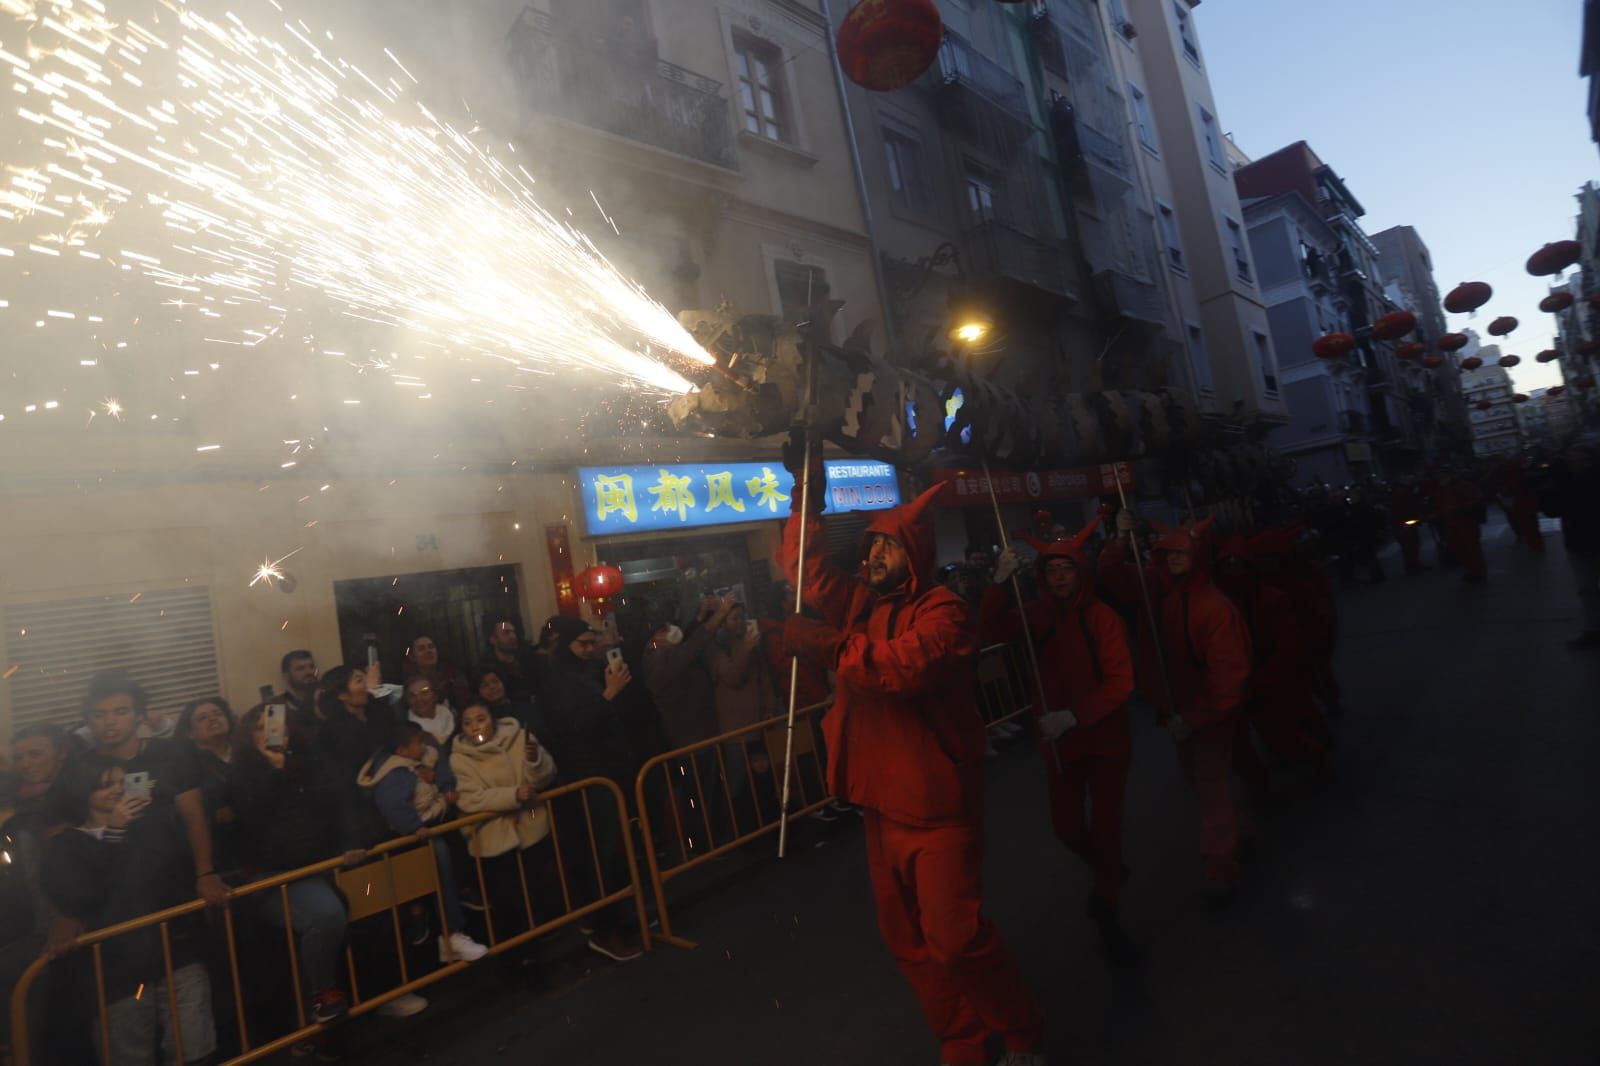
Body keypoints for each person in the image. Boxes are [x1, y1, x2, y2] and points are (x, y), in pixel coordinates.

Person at [779, 468, 1046, 1066]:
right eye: (870, 542)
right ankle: (962, 1043)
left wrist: (822, 645)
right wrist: (806, 499)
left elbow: (901, 669)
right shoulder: (862, 605)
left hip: (937, 807)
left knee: (955, 938)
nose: (873, 553)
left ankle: (1023, 1033)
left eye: (887, 544)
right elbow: (807, 575)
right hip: (879, 802)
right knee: (910, 942)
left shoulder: (943, 612)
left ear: (916, 553)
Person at [982, 520, 1139, 966]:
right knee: (1068, 829)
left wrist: (1075, 715)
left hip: (1106, 743)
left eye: (1066, 568)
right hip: (1060, 747)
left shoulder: (1103, 619)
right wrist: (997, 583)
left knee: (1106, 834)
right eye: (1051, 570)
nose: (1059, 577)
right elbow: (994, 629)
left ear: (1080, 571)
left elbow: (1121, 681)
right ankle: (1109, 869)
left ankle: (1108, 912)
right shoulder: (1037, 616)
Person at [42, 757, 217, 1066]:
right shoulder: (66, 845)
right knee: (129, 1053)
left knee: (195, 1046)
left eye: (122, 782)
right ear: (83, 790)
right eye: (106, 784)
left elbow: (170, 873)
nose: (117, 790)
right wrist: (113, 835)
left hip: (176, 952)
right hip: (115, 970)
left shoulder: (151, 827)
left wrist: (151, 823)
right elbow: (82, 896)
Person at [227, 704, 366, 1033]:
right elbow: (251, 819)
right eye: (260, 727)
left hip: (317, 865)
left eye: (276, 725)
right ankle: (322, 991)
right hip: (271, 876)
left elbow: (337, 803)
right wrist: (274, 772)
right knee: (325, 917)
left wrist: (351, 841)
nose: (270, 732)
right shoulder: (240, 771)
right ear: (249, 734)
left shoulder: (310, 762)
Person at [1148, 518, 1254, 906]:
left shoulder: (1213, 607)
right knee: (1201, 781)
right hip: (1186, 714)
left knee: (1209, 785)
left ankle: (1220, 866)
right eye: (1169, 552)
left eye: (1182, 552)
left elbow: (1228, 678)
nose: (1175, 559)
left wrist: (1192, 717)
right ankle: (1239, 830)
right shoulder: (1172, 598)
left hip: (1209, 714)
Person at [538, 616, 644, 963]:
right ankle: (604, 928)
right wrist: (608, 694)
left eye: (590, 642)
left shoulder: (589, 671)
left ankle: (620, 917)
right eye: (581, 644)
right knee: (602, 856)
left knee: (616, 852)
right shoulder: (558, 681)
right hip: (588, 777)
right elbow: (574, 728)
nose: (588, 649)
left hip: (610, 770)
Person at [76, 671, 228, 911]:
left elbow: (194, 815)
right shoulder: (82, 767)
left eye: (121, 712)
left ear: (139, 716)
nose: (110, 721)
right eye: (99, 715)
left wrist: (205, 872)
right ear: (88, 720)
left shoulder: (170, 753)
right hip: (115, 883)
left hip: (177, 872)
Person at [357, 722, 488, 964]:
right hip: (413, 838)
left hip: (428, 828)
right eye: (418, 743)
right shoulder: (395, 774)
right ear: (402, 750)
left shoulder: (411, 765)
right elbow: (394, 805)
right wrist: (414, 827)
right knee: (438, 864)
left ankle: (451, 933)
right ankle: (450, 932)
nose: (424, 746)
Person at [449, 702, 559, 942]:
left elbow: (546, 775)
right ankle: (519, 959)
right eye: (467, 722)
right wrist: (512, 796)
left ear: (493, 719)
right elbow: (470, 799)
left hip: (531, 828)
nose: (475, 727)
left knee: (539, 893)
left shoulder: (519, 738)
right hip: (493, 839)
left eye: (481, 719)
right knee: (508, 906)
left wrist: (534, 762)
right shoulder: (459, 759)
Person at [1540, 443, 1600, 649]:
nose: (1578, 465)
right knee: (1586, 589)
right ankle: (1593, 629)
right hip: (1578, 542)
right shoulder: (1565, 483)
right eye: (1573, 461)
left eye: (1582, 460)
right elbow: (1551, 510)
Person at [176, 698, 238, 875]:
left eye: (218, 714)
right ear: (189, 733)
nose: (212, 719)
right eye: (202, 718)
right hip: (220, 853)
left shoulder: (246, 751)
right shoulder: (187, 766)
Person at [1437, 466, 1489, 583]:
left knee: (1472, 549)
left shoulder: (1463, 485)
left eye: (1442, 475)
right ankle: (1471, 570)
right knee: (1461, 549)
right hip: (1453, 524)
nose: (1440, 478)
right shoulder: (1444, 488)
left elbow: (1475, 501)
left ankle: (1478, 572)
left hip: (1466, 523)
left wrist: (1457, 508)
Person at [484, 617, 544, 707]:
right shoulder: (488, 667)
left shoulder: (528, 658)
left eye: (513, 632)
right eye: (506, 633)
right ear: (493, 640)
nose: (512, 637)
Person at [403, 635, 470, 711]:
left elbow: (464, 701)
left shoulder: (451, 673)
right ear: (412, 657)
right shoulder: (410, 683)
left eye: (431, 647)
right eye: (421, 649)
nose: (428, 651)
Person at [1389, 476, 1429, 575]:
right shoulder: (1403, 493)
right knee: (1410, 545)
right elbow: (1406, 510)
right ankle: (1412, 566)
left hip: (1405, 523)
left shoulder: (1404, 492)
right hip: (1405, 523)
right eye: (1410, 480)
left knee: (1411, 545)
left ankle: (1413, 565)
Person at [405, 677, 457, 746]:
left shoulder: (445, 712)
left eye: (424, 693)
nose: (419, 699)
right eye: (412, 695)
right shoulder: (407, 726)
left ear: (435, 695)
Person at [273, 650, 320, 726]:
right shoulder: (278, 706)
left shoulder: (325, 698)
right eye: (300, 668)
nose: (309, 672)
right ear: (286, 676)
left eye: (311, 667)